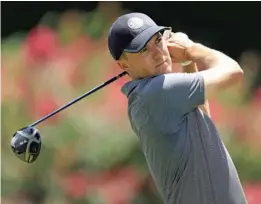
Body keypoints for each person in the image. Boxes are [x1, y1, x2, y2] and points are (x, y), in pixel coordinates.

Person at [107, 12, 248, 204]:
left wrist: (187, 62)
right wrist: (191, 49)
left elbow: (201, 114)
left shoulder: (158, 94)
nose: (158, 53)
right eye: (143, 50)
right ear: (124, 64)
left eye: (157, 40)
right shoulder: (157, 91)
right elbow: (233, 72)